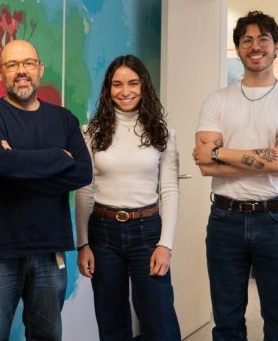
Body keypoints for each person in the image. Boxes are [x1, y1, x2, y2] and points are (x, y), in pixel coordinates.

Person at [193, 10, 278, 341]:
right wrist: (267, 157)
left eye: (263, 39)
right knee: (227, 323)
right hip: (225, 219)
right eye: (247, 40)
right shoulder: (217, 101)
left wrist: (220, 152)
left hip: (277, 220)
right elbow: (204, 166)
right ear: (238, 48)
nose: (255, 46)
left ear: (276, 46)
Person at [0, 39, 93, 341]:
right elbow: (1, 165)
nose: (21, 71)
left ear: (40, 69)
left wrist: (16, 166)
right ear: (0, 74)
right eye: (12, 65)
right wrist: (56, 157)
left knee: (47, 336)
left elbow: (82, 172)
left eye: (28, 64)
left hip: (49, 250)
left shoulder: (64, 120)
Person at [74, 55, 181, 341]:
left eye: (133, 83)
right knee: (112, 323)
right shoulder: (91, 132)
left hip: (147, 232)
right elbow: (84, 191)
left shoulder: (163, 133)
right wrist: (83, 243)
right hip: (103, 232)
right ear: (108, 89)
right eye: (117, 84)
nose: (125, 91)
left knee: (159, 323)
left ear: (144, 86)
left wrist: (165, 245)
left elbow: (169, 191)